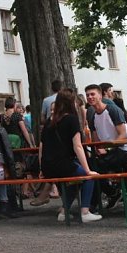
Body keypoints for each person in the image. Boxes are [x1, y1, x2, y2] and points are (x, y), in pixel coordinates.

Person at [39, 89, 102, 223]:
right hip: (63, 165)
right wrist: (87, 170)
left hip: (47, 167)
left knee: (74, 182)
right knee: (88, 178)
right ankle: (85, 211)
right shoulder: (71, 119)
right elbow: (78, 146)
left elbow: (41, 148)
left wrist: (41, 169)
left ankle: (64, 211)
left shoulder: (49, 122)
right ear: (71, 103)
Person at [85, 83, 127, 208]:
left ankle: (95, 203)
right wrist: (98, 149)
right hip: (107, 152)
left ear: (100, 95)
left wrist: (107, 149)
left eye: (92, 94)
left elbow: (123, 135)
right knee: (87, 166)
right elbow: (95, 138)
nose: (90, 97)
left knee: (95, 167)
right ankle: (109, 193)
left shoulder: (112, 110)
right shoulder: (91, 114)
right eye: (87, 95)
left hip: (123, 150)